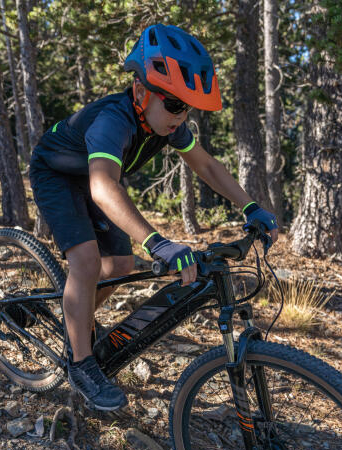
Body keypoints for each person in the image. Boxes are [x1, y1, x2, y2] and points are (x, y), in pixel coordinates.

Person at [29, 24, 279, 411]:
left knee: (122, 265)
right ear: (142, 91)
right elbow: (102, 188)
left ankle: (72, 318)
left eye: (188, 106)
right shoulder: (114, 120)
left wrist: (250, 206)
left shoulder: (165, 123)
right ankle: (80, 364)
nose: (182, 115)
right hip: (59, 175)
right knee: (87, 261)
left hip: (96, 178)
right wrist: (157, 242)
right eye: (175, 104)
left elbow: (207, 166)